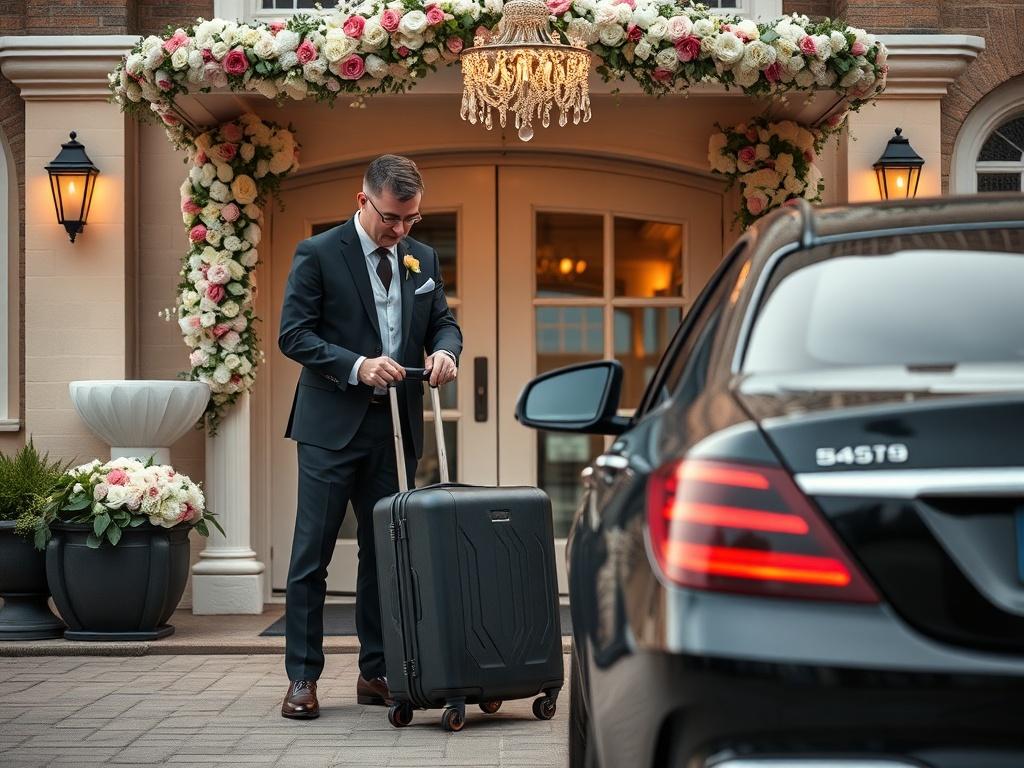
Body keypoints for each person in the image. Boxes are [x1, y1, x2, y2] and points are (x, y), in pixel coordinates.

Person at [277, 154, 462, 719]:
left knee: (386, 554)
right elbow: (294, 335)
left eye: (412, 220)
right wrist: (357, 365)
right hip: (331, 428)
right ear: (363, 202)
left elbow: (442, 322)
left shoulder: (422, 257)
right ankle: (303, 678)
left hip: (395, 429)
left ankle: (375, 671)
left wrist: (446, 352)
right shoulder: (317, 254)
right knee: (314, 554)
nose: (402, 231)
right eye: (391, 219)